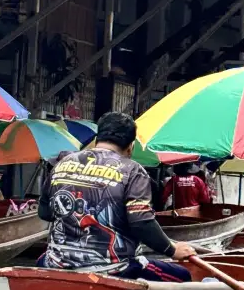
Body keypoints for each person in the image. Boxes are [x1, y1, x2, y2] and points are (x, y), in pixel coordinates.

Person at [38, 112, 195, 281]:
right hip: (114, 269)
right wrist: (172, 250)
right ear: (131, 146)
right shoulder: (133, 171)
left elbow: (45, 213)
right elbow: (142, 223)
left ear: (98, 138)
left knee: (39, 260)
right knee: (183, 275)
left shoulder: (64, 162)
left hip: (55, 263)